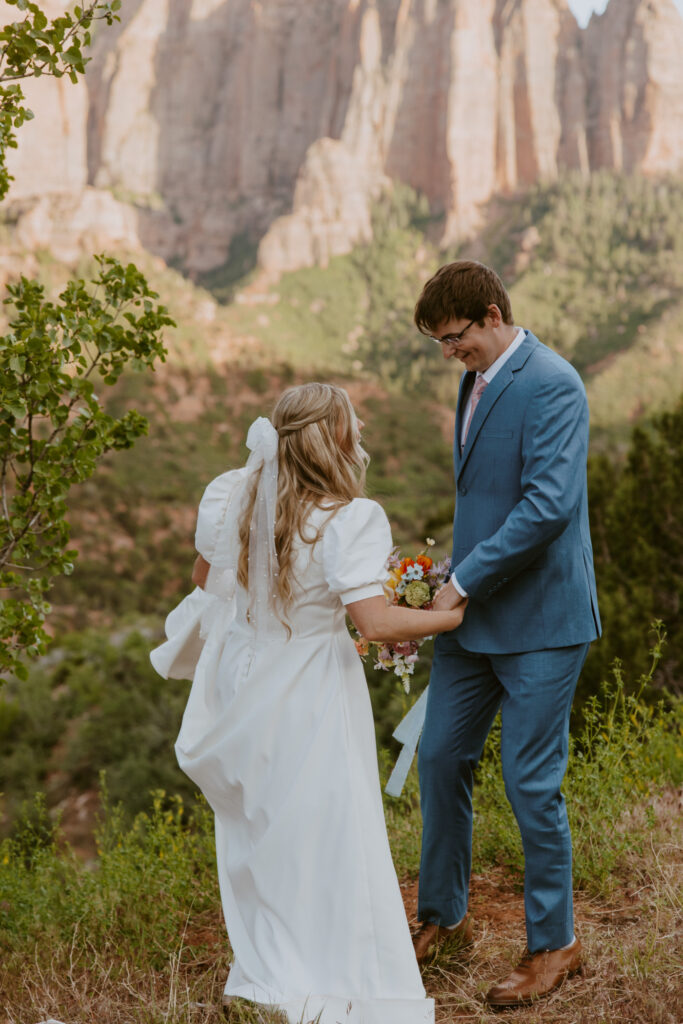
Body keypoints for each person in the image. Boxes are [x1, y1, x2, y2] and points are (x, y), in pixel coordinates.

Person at [150, 382, 467, 1024]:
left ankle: (271, 960)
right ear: (335, 438)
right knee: (324, 825)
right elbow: (374, 623)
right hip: (312, 687)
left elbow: (205, 580)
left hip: (242, 683)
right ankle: (328, 965)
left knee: (260, 826)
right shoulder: (349, 518)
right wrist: (450, 616)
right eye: (353, 425)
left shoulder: (232, 498)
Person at [410, 261, 601, 1008]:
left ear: (491, 315)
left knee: (529, 782)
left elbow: (547, 507)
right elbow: (485, 498)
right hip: (472, 614)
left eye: (455, 338)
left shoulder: (554, 382)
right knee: (437, 757)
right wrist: (445, 573)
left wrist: (460, 581)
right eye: (440, 344)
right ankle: (441, 915)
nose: (449, 354)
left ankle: (555, 945)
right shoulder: (477, 379)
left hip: (542, 623)